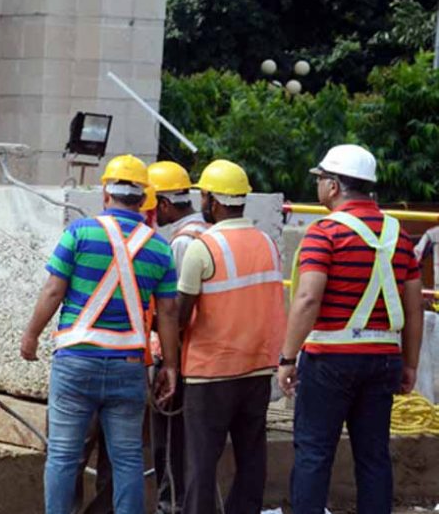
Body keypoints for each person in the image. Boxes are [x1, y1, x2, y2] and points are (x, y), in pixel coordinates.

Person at [20, 154, 180, 514]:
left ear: (106, 193)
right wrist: (171, 365)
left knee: (62, 455)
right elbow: (169, 312)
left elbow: (52, 291)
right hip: (128, 366)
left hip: (76, 362)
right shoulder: (159, 248)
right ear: (143, 199)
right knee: (126, 461)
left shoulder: (79, 232)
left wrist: (31, 335)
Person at [278, 144, 423, 514]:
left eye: (321, 179)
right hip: (384, 360)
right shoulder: (399, 236)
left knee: (314, 451)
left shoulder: (323, 233)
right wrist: (410, 364)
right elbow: (414, 307)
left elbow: (308, 299)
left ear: (334, 186)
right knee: (373, 456)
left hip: (329, 359)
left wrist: (287, 357)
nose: (319, 186)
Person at [175, 159, 285, 514]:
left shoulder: (202, 247)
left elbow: (180, 315)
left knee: (202, 463)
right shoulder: (267, 244)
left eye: (203, 196)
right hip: (256, 370)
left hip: (210, 374)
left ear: (212, 200)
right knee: (252, 458)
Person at [147, 160, 209, 513]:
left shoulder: (181, 243)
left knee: (170, 445)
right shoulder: (206, 230)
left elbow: (174, 313)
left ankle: (170, 508)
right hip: (201, 355)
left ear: (164, 205)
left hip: (179, 356)